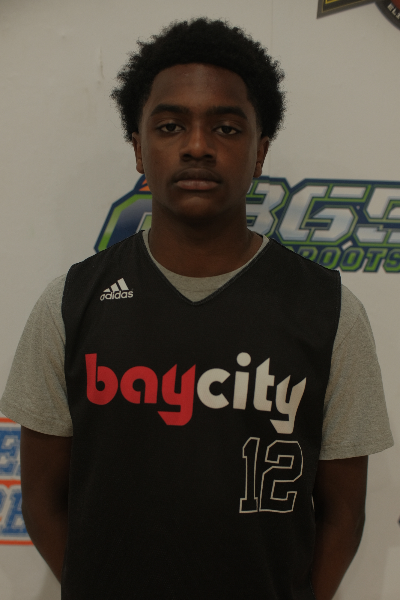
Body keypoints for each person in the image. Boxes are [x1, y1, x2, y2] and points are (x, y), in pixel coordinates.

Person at [0, 18, 393, 600]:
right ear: (139, 148)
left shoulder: (329, 311)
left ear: (260, 152)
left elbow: (343, 513)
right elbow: (41, 499)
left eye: (226, 127)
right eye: (170, 125)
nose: (198, 146)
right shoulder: (71, 302)